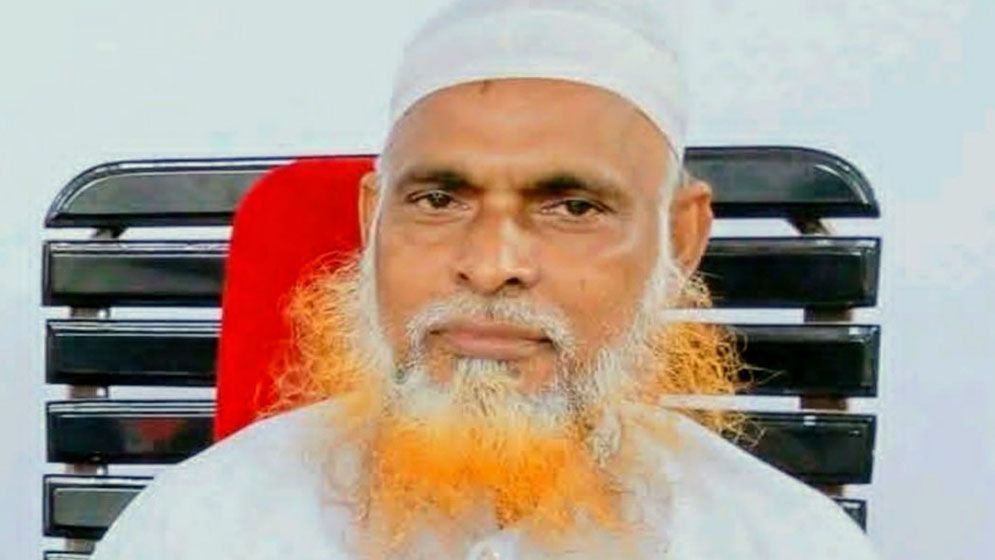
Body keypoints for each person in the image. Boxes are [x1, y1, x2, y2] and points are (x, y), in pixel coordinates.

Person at [92, 1, 878, 558]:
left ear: (678, 239)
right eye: (438, 200)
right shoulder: (198, 530)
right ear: (372, 221)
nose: (492, 264)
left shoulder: (779, 543)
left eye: (573, 207)